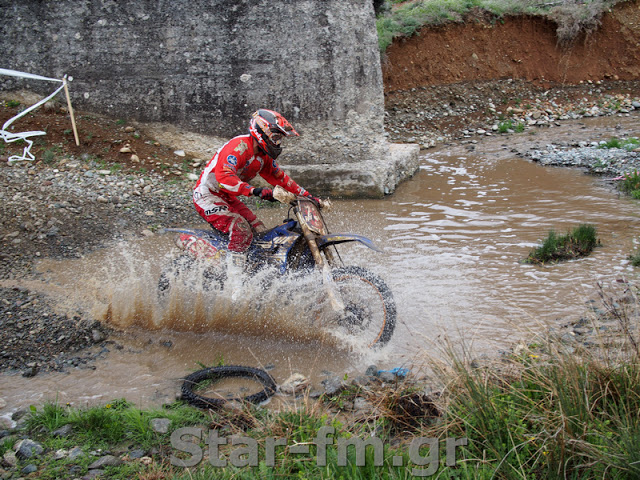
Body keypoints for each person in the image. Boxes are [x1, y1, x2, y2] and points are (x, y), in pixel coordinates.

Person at [193, 108, 321, 275]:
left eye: (279, 139)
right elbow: (224, 178)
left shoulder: (263, 157)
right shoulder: (239, 147)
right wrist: (255, 191)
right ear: (261, 131)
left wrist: (308, 196)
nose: (277, 143)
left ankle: (254, 274)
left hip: (228, 197)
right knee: (240, 229)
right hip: (207, 195)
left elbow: (281, 179)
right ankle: (234, 282)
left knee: (261, 233)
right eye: (275, 138)